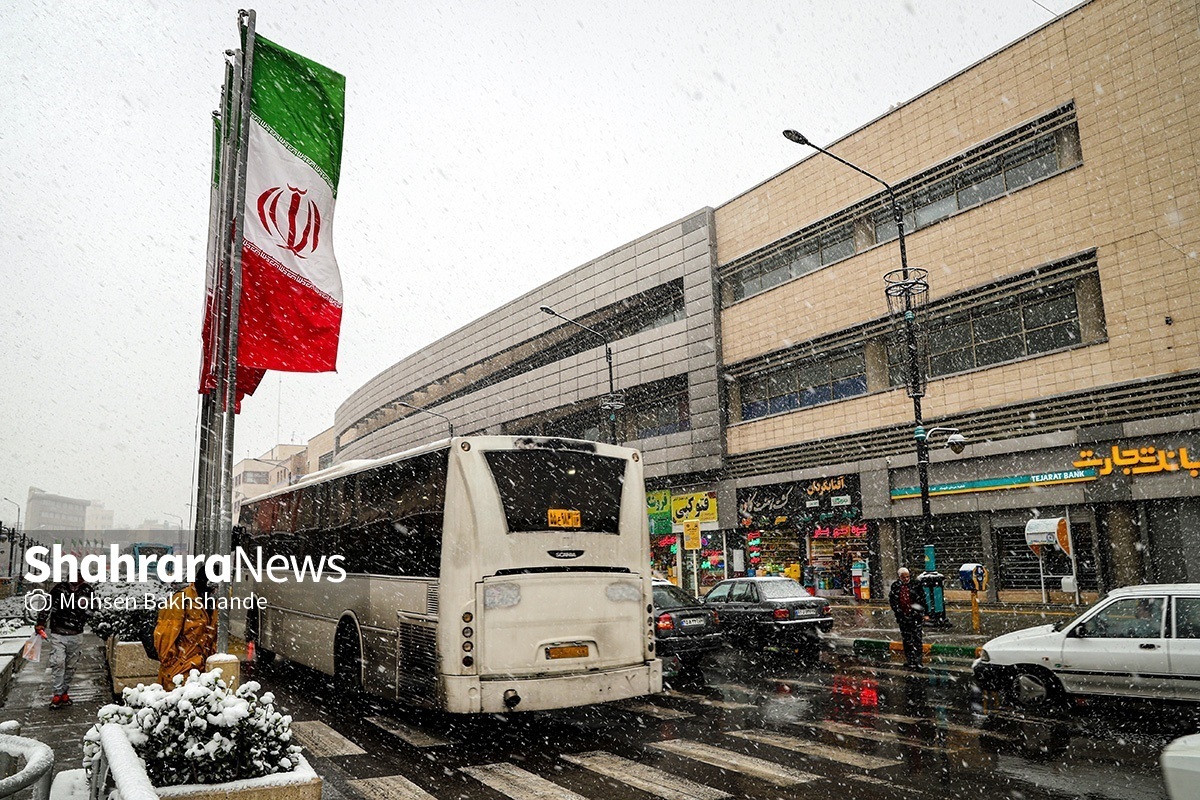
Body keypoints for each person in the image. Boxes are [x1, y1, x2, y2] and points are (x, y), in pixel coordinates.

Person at [35, 576, 94, 708]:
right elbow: (47, 605)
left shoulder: (87, 590)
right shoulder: (59, 589)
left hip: (76, 633)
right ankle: (57, 693)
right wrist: (41, 622)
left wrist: (84, 617)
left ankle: (63, 691)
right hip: (58, 632)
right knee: (58, 662)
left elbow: (93, 607)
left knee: (71, 665)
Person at [153, 572, 218, 688]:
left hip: (201, 673)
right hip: (180, 672)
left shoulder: (213, 605)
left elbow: (212, 638)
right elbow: (164, 636)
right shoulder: (181, 600)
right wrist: (173, 665)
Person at [888, 567, 926, 670]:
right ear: (899, 577)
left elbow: (921, 599)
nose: (906, 579)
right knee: (907, 640)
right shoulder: (896, 586)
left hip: (915, 617)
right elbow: (893, 601)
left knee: (917, 639)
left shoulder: (915, 585)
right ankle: (910, 661)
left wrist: (918, 612)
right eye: (903, 577)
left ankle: (918, 661)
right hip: (903, 618)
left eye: (907, 577)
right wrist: (899, 612)